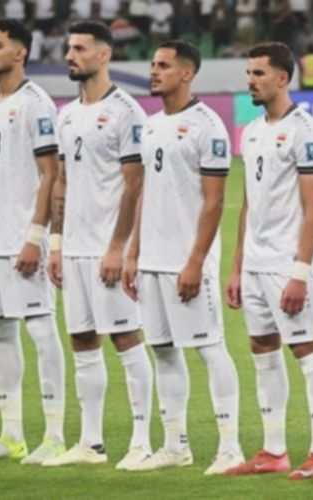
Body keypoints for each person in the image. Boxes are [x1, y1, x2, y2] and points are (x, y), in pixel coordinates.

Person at [121, 40, 244, 475]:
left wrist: (195, 261)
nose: (154, 71)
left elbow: (214, 201)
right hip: (151, 260)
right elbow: (144, 193)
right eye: (153, 64)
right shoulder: (152, 126)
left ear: (187, 73)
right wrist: (134, 252)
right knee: (163, 351)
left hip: (187, 262)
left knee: (210, 348)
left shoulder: (207, 126)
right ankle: (175, 445)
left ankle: (230, 447)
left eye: (164, 65)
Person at [41, 21, 154, 470]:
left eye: (80, 49)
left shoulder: (127, 112)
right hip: (74, 247)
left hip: (109, 247)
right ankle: (91, 443)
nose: (70, 55)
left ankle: (142, 441)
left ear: (104, 55)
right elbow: (62, 180)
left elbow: (135, 185)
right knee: (82, 341)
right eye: (69, 48)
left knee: (126, 338)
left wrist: (119, 248)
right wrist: (55, 243)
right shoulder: (67, 114)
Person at [224, 42, 313, 480]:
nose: (250, 81)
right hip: (254, 263)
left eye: (259, 73)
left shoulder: (305, 131)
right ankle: (274, 451)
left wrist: (300, 273)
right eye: (248, 73)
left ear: (283, 78)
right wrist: (237, 267)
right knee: (262, 350)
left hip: (287, 263)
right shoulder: (252, 131)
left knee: (306, 349)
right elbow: (248, 204)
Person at [0, 18, 66, 465]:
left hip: (25, 238)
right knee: (0, 332)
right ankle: (11, 435)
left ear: (20, 52)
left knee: (41, 329)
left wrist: (36, 236)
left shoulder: (36, 104)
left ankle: (55, 435)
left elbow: (51, 174)